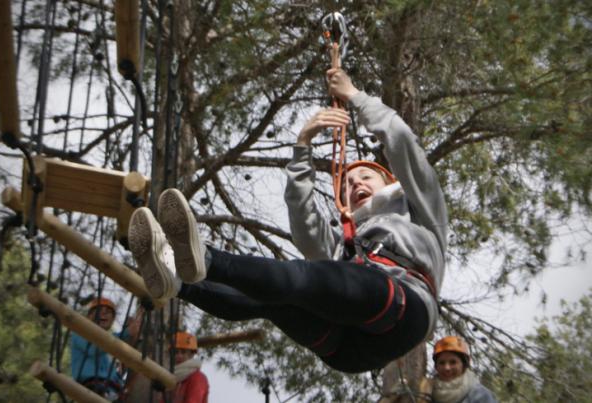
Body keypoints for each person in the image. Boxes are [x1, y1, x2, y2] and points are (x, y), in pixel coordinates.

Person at [128, 68, 447, 373]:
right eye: (347, 184)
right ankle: (178, 283)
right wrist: (303, 145)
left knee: (307, 277)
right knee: (275, 298)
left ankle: (207, 259)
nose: (356, 185)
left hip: (406, 306)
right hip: (346, 348)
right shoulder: (346, 244)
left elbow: (403, 143)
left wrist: (353, 95)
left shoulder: (418, 210)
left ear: (390, 182)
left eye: (366, 176)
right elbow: (304, 225)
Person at [71, 297, 141, 401]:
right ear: (89, 316)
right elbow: (94, 349)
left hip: (111, 391)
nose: (103, 314)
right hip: (92, 387)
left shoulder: (109, 354)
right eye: (99, 311)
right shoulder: (80, 332)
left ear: (112, 320)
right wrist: (126, 333)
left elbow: (117, 375)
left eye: (108, 312)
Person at [430, 336, 498, 403]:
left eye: (453, 362)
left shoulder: (480, 395)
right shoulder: (428, 392)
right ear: (436, 366)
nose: (447, 368)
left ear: (464, 365)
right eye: (442, 363)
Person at [169, 331, 209, 403]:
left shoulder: (197, 377)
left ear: (191, 355)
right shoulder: (172, 379)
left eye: (183, 352)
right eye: (176, 352)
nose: (179, 356)